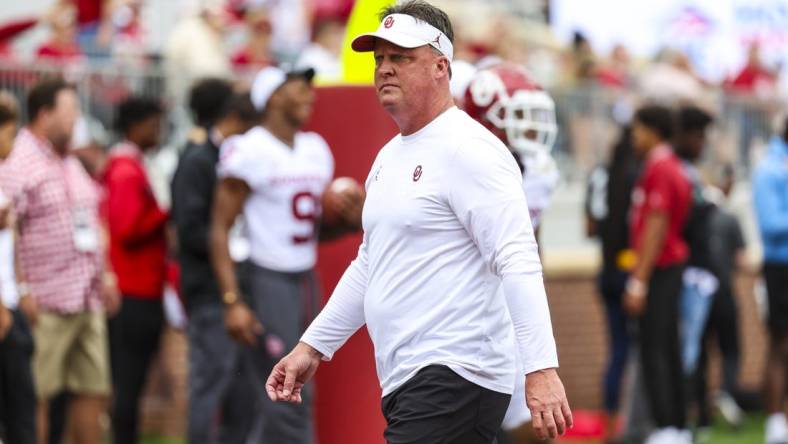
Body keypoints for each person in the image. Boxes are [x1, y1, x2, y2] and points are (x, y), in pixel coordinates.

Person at [265, 2, 572, 443]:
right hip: (410, 377)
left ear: (440, 67)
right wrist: (312, 347)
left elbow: (518, 259)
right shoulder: (391, 155)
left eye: (402, 57)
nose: (385, 69)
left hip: (456, 372)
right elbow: (370, 262)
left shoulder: (471, 149)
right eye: (381, 59)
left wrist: (541, 370)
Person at [210, 65, 361, 443]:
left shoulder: (315, 148)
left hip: (304, 276)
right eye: (299, 89)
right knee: (288, 384)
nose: (309, 96)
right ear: (274, 97)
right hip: (265, 275)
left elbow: (313, 230)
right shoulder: (250, 149)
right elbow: (219, 228)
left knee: (295, 378)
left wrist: (349, 220)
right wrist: (233, 300)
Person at [0, 78, 115, 444]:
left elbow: (95, 217)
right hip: (45, 301)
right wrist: (22, 288)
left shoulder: (72, 162)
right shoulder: (19, 160)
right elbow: (7, 232)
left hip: (86, 297)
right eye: (71, 112)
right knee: (36, 395)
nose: (76, 120)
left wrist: (108, 273)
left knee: (93, 389)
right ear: (44, 114)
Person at [463, 62, 561, 444]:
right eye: (520, 117)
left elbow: (532, 241)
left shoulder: (538, 171)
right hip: (468, 311)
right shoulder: (465, 165)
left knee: (538, 418)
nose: (532, 130)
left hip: (511, 306)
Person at [171, 78, 258, 444]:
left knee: (243, 393)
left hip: (238, 291)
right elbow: (188, 230)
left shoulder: (221, 157)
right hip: (210, 293)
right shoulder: (197, 160)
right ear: (236, 119)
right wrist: (225, 241)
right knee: (210, 386)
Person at [623, 105, 692, 444]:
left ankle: (667, 425)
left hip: (661, 269)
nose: (633, 138)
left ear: (654, 131)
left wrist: (639, 280)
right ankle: (675, 425)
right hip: (666, 269)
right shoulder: (667, 164)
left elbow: (657, 224)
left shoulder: (661, 167)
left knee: (657, 348)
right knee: (668, 346)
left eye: (638, 130)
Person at [101, 96, 168, 444]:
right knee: (128, 382)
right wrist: (164, 215)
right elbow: (126, 228)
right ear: (135, 125)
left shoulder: (132, 165)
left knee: (132, 382)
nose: (158, 131)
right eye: (153, 124)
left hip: (141, 287)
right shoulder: (126, 170)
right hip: (133, 290)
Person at [585, 124, 640, 443]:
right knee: (633, 350)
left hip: (606, 270)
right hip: (631, 271)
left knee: (616, 348)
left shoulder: (599, 175)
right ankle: (629, 423)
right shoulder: (637, 174)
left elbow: (590, 226)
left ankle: (609, 421)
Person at [694, 163, 747, 430]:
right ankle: (725, 391)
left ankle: (702, 417)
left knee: (701, 355)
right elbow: (741, 259)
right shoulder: (729, 218)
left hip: (698, 295)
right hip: (724, 293)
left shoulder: (695, 216)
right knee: (731, 350)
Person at [0, 91, 36, 444]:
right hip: (2, 312)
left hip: (11, 304)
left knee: (22, 411)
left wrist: (22, 290)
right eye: (11, 132)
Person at [753, 113, 788, 444]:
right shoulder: (770, 168)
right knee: (780, 343)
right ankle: (775, 423)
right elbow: (770, 224)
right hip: (780, 268)